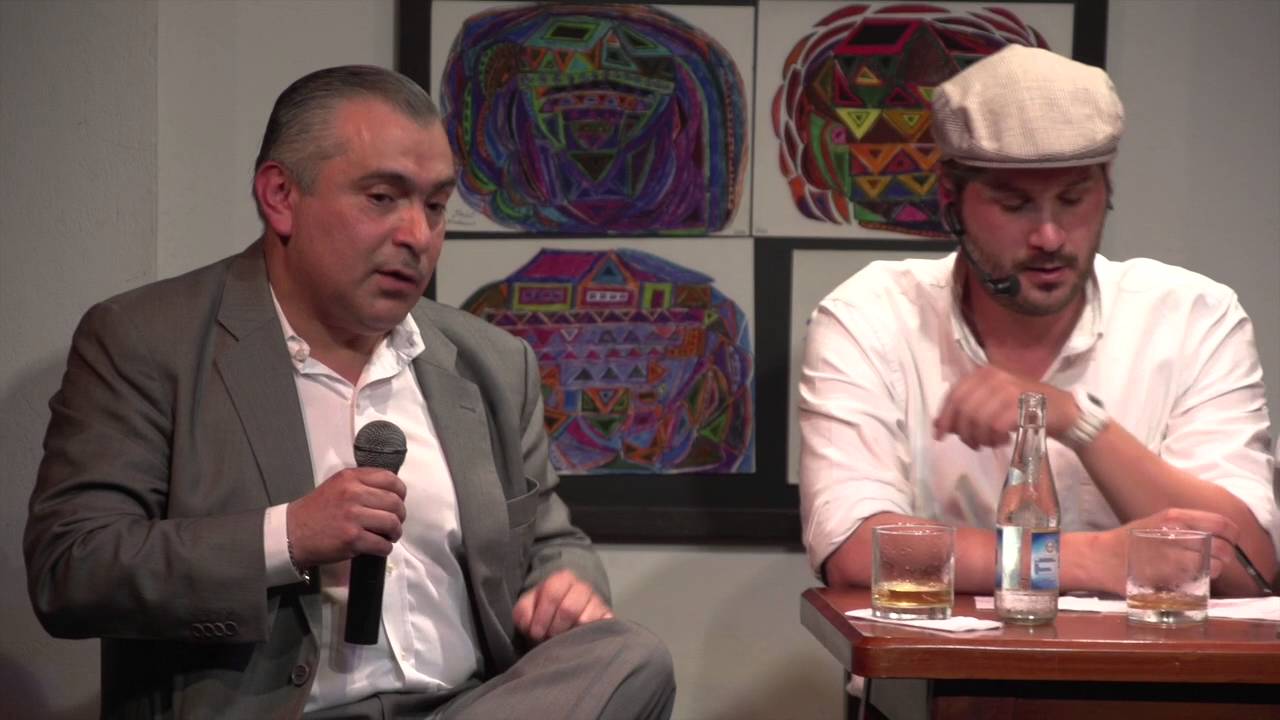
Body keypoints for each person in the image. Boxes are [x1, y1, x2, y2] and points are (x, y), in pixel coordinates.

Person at [24, 65, 675, 719]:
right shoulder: (147, 341)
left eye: (435, 206)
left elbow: (554, 543)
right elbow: (71, 569)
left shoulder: (495, 363)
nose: (417, 235)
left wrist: (566, 585)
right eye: (383, 198)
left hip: (468, 706)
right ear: (281, 196)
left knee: (630, 656)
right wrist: (288, 536)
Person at [798, 45, 1277, 599]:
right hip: (939, 656)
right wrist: (1086, 560)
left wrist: (1078, 423)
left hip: (1155, 654)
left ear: (1107, 186)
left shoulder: (1194, 317)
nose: (1049, 236)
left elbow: (1249, 566)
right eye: (1014, 204)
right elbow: (855, 550)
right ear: (950, 196)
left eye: (1073, 199)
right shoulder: (871, 317)